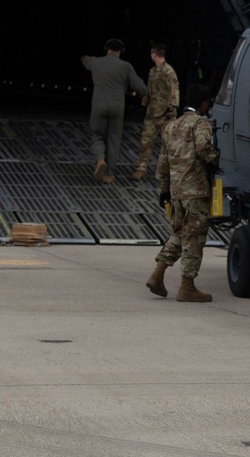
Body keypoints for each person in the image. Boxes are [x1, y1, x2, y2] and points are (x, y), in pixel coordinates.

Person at [146, 83, 219, 302]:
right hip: (195, 191)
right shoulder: (201, 124)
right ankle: (187, 286)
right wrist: (215, 159)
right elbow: (203, 148)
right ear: (204, 104)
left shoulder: (171, 126)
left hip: (177, 192)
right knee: (194, 237)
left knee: (179, 233)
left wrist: (164, 190)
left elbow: (162, 162)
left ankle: (157, 274)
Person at [80, 38, 148, 184]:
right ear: (121, 52)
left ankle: (100, 160)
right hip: (117, 106)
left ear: (106, 49)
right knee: (113, 139)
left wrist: (91, 59)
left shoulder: (96, 62)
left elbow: (84, 59)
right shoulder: (126, 66)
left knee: (97, 135)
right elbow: (140, 88)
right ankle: (109, 174)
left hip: (99, 105)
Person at [132, 43, 179, 180]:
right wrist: (143, 105)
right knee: (146, 142)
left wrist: (172, 107)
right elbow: (149, 90)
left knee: (169, 144)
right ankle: (141, 168)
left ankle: (169, 172)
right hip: (152, 113)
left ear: (154, 54)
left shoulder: (169, 71)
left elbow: (174, 90)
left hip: (165, 114)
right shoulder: (153, 71)